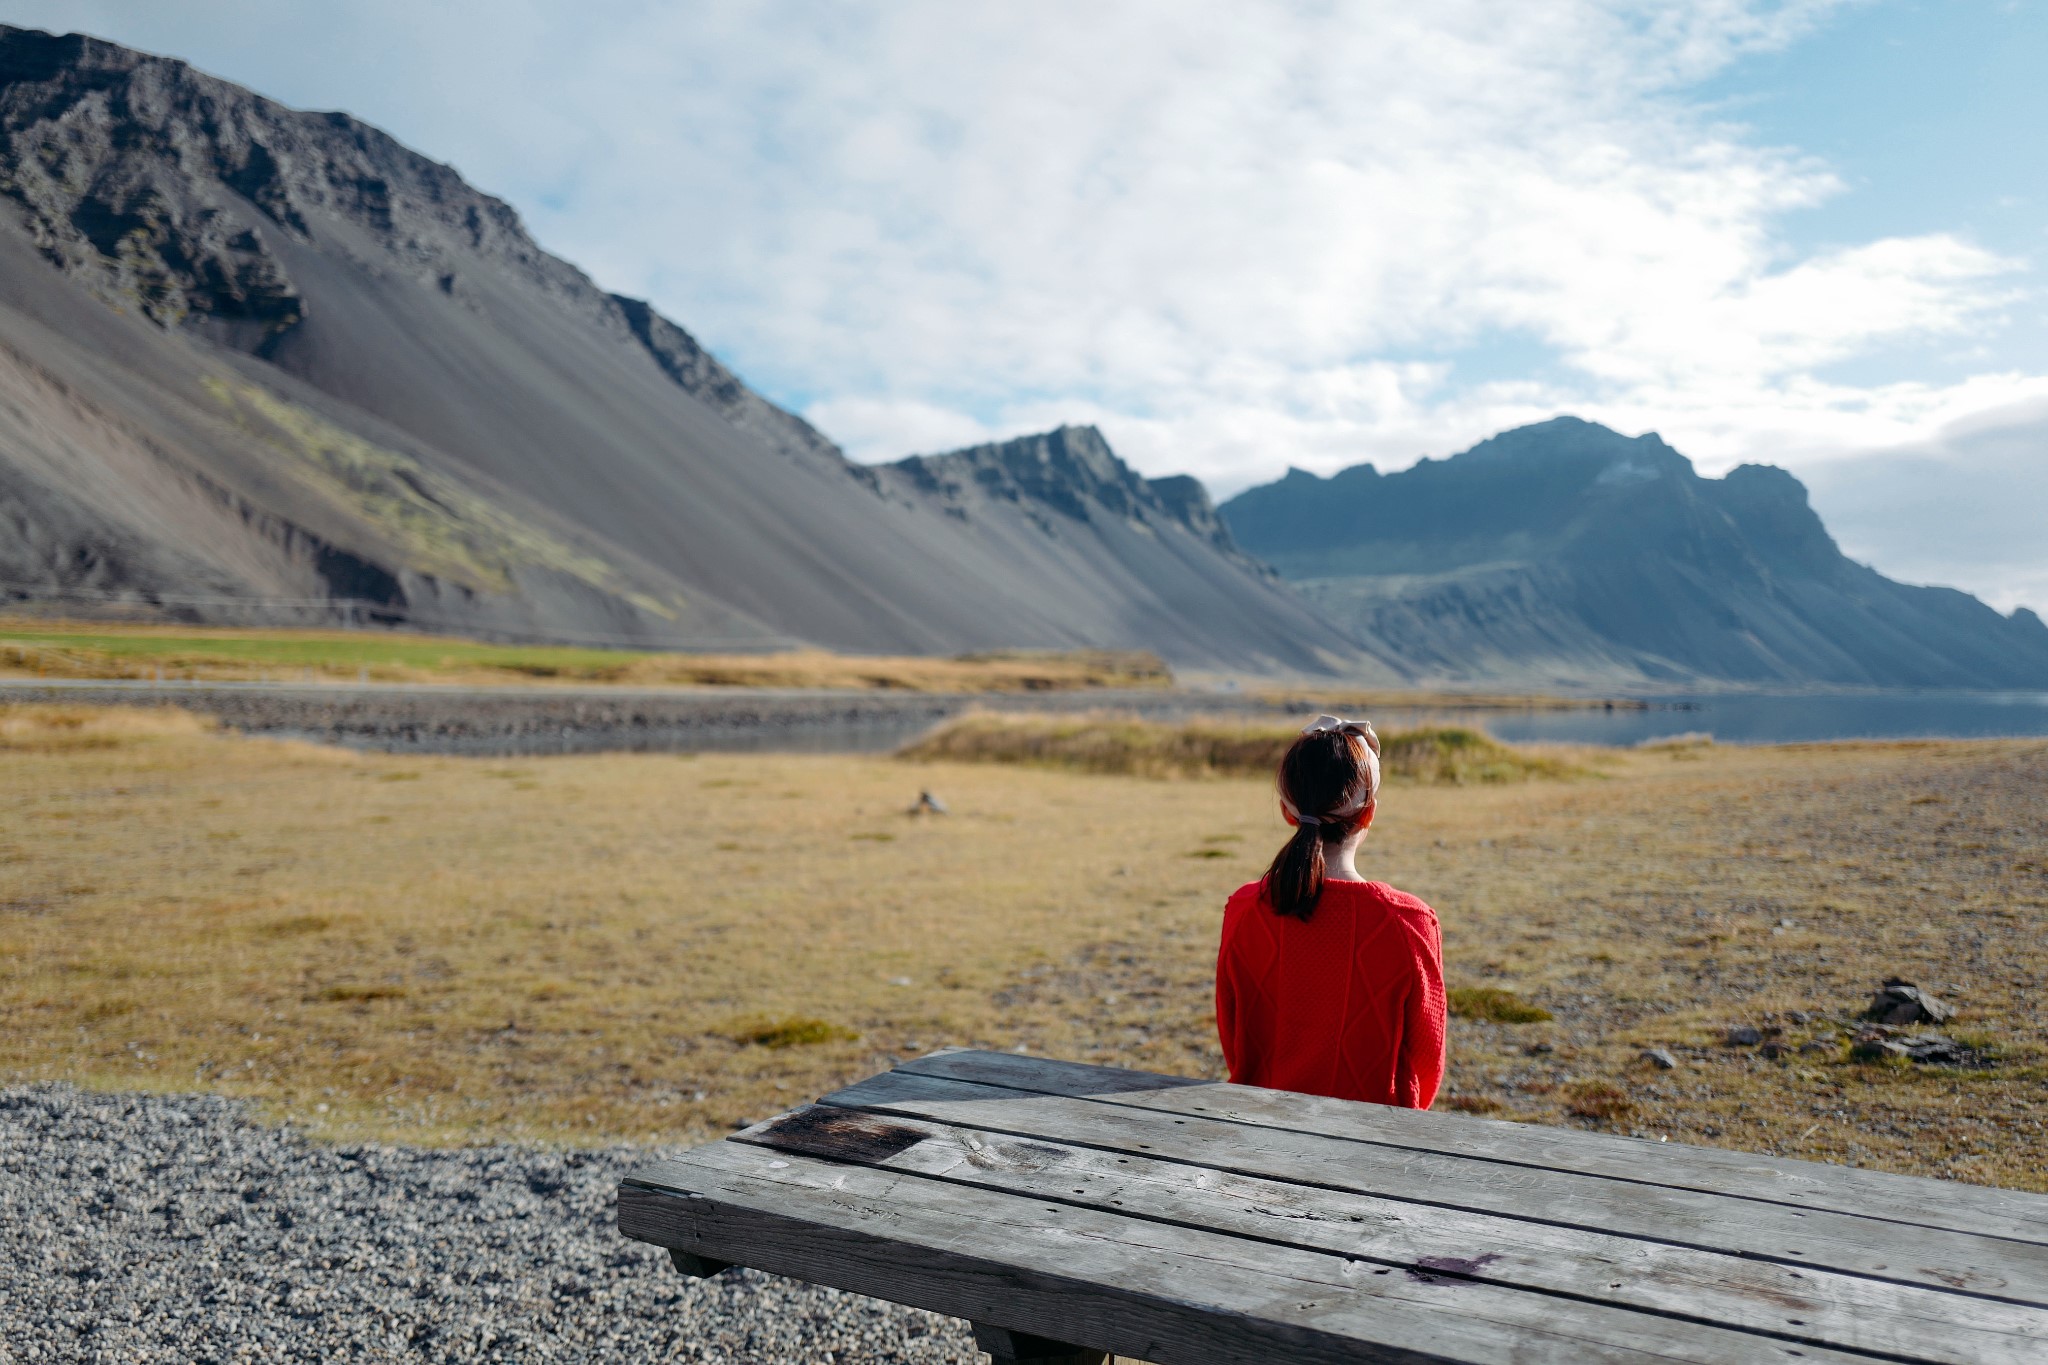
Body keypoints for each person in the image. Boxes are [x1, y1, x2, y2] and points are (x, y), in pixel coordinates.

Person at [1215, 715, 1446, 1107]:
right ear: (1368, 813)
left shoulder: (1243, 909)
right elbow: (1427, 1059)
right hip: (1373, 1143)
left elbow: (1235, 1038)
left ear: (1290, 812)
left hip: (1256, 1134)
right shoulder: (1410, 922)